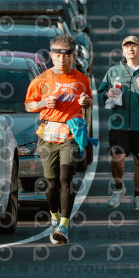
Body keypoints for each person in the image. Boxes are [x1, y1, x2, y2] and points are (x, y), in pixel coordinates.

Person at [25, 35, 92, 244]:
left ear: (73, 56)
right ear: (51, 55)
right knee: (51, 183)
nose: (62, 59)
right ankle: (54, 216)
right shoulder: (41, 79)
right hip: (48, 134)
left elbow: (88, 101)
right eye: (58, 55)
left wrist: (86, 101)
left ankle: (64, 224)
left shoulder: (81, 79)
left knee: (66, 178)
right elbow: (28, 105)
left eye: (67, 55)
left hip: (70, 133)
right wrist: (43, 103)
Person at [98, 35, 139, 211]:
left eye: (135, 46)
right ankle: (119, 188)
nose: (131, 49)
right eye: (127, 46)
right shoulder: (113, 71)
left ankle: (138, 197)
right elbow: (101, 93)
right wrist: (107, 94)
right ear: (123, 51)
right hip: (119, 123)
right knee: (116, 157)